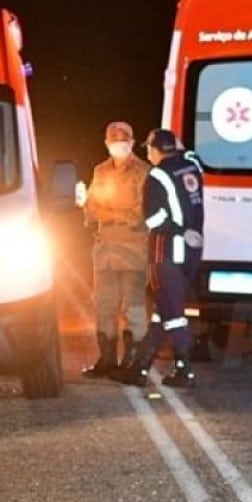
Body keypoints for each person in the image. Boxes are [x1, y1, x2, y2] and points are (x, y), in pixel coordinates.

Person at [110, 128, 205, 389]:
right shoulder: (192, 166)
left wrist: (177, 230)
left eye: (149, 149)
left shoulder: (157, 175)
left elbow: (153, 219)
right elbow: (190, 155)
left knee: (173, 312)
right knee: (162, 308)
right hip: (192, 251)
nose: (148, 154)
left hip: (168, 251)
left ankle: (184, 369)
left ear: (155, 150)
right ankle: (141, 367)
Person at [79, 121, 151, 377]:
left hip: (133, 249)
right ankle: (106, 360)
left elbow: (140, 213)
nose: (118, 144)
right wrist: (113, 213)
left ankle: (133, 361)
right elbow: (90, 208)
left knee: (134, 307)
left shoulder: (143, 171)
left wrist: (109, 212)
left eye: (123, 139)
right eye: (113, 139)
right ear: (107, 143)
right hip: (106, 249)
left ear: (132, 141)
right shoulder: (100, 171)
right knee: (104, 305)